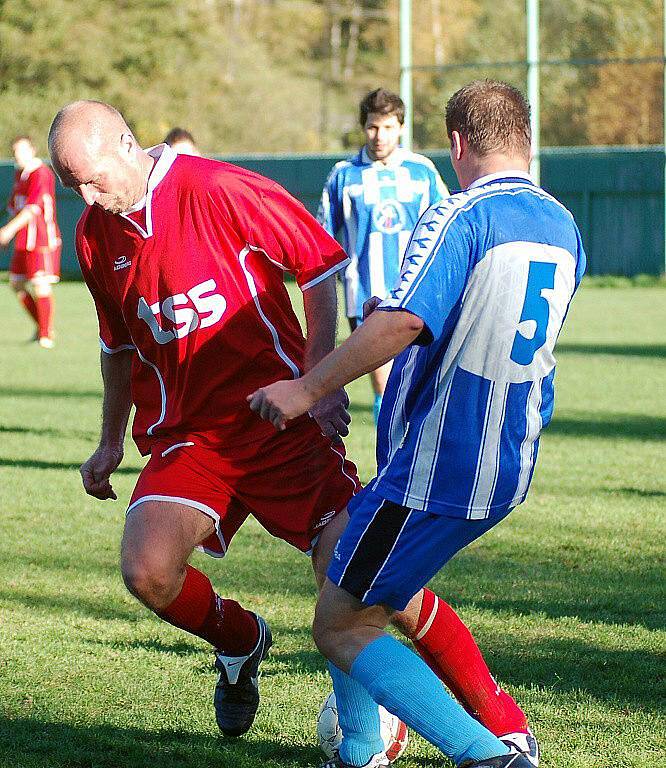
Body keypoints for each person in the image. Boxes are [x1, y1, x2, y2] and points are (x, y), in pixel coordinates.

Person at [48, 100, 536, 756]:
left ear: (126, 144)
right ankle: (242, 642)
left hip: (279, 422)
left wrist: (315, 383)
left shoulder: (220, 189)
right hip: (191, 436)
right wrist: (110, 440)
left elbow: (321, 267)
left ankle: (494, 720)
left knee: (374, 587)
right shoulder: (92, 236)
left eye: (89, 176)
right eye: (67, 182)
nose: (82, 194)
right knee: (147, 571)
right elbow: (118, 346)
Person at [250, 79, 586, 768]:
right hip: (509, 458)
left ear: (457, 143)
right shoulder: (563, 225)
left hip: (438, 466)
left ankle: (488, 755)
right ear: (525, 139)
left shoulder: (458, 215)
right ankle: (373, 747)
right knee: (351, 556)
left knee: (340, 623)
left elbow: (405, 322)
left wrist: (307, 388)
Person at [318, 88, 448, 423]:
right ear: (364, 128)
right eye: (373, 127)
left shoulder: (422, 172)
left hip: (417, 290)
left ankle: (408, 448)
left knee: (418, 381)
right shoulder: (343, 175)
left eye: (388, 127)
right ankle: (390, 454)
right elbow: (322, 238)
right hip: (364, 293)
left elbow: (448, 225)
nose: (380, 136)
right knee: (385, 382)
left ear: (401, 128)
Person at [1, 136, 61, 348]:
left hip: (42, 238)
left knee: (40, 284)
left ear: (33, 150)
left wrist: (7, 231)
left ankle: (45, 335)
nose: (18, 155)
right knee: (16, 283)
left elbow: (32, 210)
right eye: (15, 151)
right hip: (23, 240)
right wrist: (9, 231)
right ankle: (43, 327)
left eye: (22, 150)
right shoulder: (20, 174)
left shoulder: (41, 173)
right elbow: (14, 207)